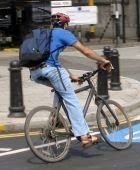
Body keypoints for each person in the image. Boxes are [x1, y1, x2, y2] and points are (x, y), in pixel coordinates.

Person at [30, 13, 113, 147]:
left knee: (60, 89)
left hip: (35, 72)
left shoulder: (46, 34)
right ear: (66, 25)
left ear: (52, 24)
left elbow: (55, 59)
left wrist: (71, 75)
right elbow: (85, 51)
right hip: (51, 69)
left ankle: (54, 119)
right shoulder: (63, 33)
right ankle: (84, 135)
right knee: (71, 98)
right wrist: (103, 60)